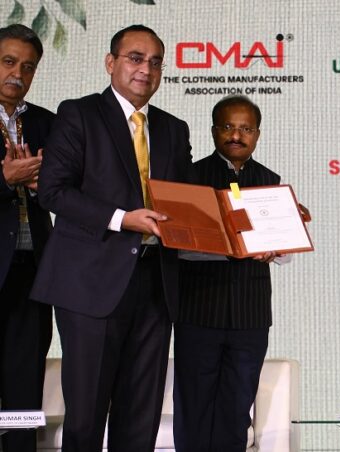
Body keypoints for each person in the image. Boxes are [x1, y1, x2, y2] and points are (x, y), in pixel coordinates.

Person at [31, 25, 192, 451]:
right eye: (135, 58)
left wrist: (255, 222)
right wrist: (123, 219)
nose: (146, 70)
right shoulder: (78, 114)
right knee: (85, 419)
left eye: (155, 62)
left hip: (156, 286)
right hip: (90, 284)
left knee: (140, 420)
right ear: (111, 63)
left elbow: (190, 202)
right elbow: (53, 191)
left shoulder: (174, 129)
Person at [173, 95, 303, 451]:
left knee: (236, 409)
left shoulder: (271, 182)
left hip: (250, 315)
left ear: (257, 134)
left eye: (246, 129)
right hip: (198, 311)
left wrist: (278, 248)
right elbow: (178, 246)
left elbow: (284, 252)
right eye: (228, 127)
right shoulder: (191, 178)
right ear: (214, 131)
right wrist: (226, 246)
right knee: (194, 405)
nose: (236, 135)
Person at [0, 23, 54, 452]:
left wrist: (43, 187)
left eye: (28, 66)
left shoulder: (46, 123)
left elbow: (72, 189)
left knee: (24, 389)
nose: (18, 73)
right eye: (8, 61)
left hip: (33, 273)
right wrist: (5, 179)